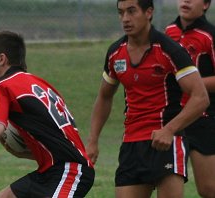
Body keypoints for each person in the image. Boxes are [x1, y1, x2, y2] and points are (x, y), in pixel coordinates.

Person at [86, 0, 210, 197]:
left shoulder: (170, 50)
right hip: (132, 144)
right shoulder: (115, 53)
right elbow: (104, 97)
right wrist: (93, 140)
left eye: (132, 11)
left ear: (149, 12)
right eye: (121, 13)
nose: (125, 19)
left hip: (167, 142)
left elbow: (200, 98)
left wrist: (169, 130)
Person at [0, 31, 94, 198]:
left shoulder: (2, 86)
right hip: (52, 170)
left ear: (1, 59)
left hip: (69, 171)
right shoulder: (39, 84)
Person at [165, 0, 215, 197]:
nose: (185, 1)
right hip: (172, 118)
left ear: (206, 5)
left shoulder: (209, 35)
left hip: (203, 118)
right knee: (167, 181)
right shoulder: (168, 32)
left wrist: (192, 84)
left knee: (208, 189)